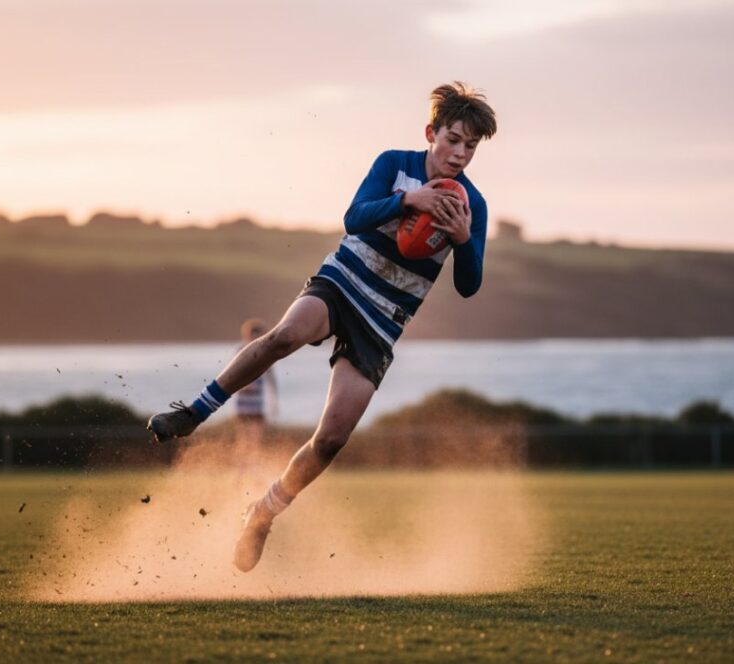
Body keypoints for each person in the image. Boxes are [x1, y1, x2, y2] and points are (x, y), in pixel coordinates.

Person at [148, 81, 497, 572]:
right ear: (431, 133)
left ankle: (263, 513)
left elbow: (468, 285)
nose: (460, 153)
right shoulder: (394, 164)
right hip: (344, 281)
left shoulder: (472, 206)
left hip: (384, 319)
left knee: (332, 438)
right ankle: (194, 411)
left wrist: (463, 241)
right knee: (287, 335)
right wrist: (407, 203)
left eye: (471, 146)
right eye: (453, 139)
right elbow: (354, 218)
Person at [232, 318, 277, 450]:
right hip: (243, 401)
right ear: (247, 335)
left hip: (257, 402)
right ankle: (243, 464)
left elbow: (271, 376)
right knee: (242, 436)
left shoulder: (266, 352)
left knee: (256, 436)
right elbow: (234, 373)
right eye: (253, 335)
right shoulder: (240, 350)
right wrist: (243, 384)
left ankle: (253, 462)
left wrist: (274, 400)